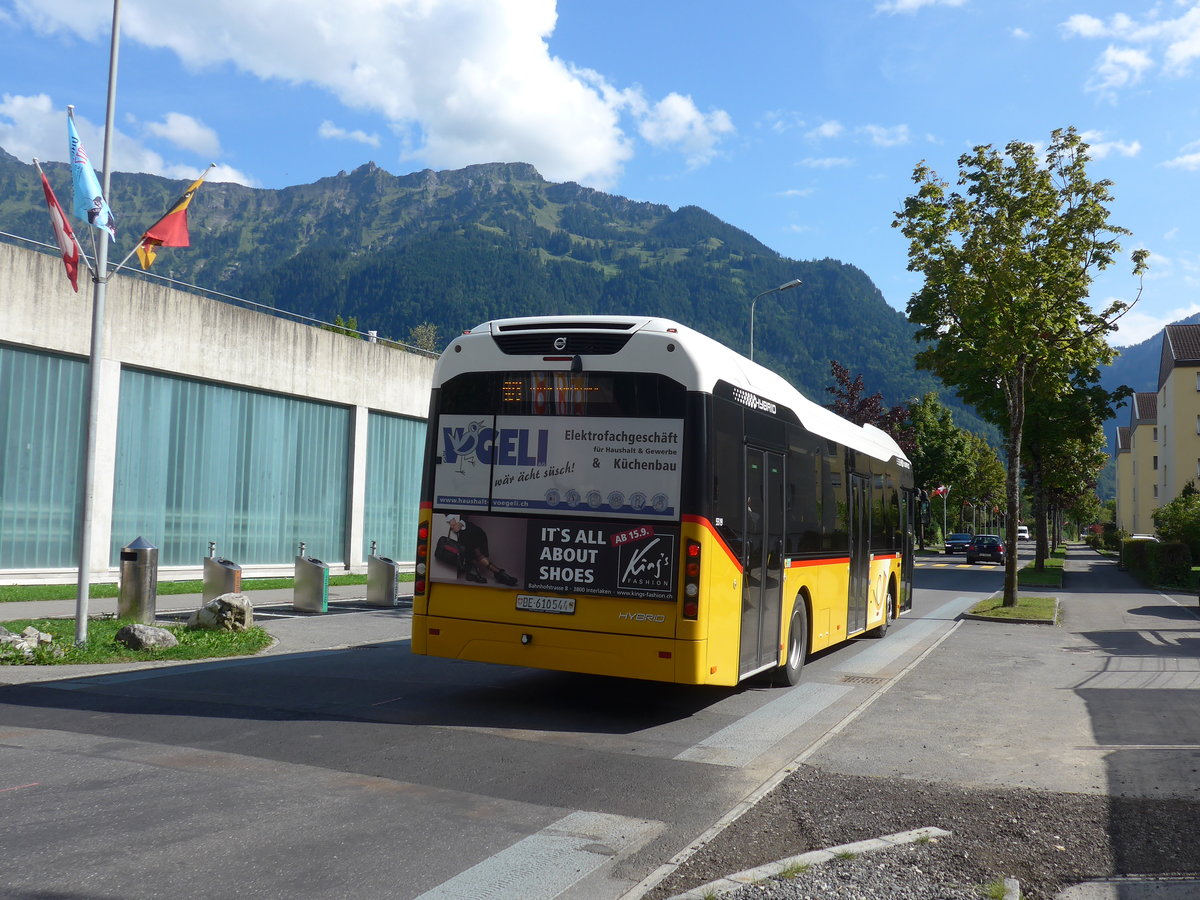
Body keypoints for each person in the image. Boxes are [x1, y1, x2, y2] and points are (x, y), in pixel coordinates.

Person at [445, 514, 518, 586]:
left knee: (479, 533)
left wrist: (461, 522)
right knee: (472, 544)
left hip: (462, 521)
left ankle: (474, 571)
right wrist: (451, 518)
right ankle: (497, 572)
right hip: (454, 520)